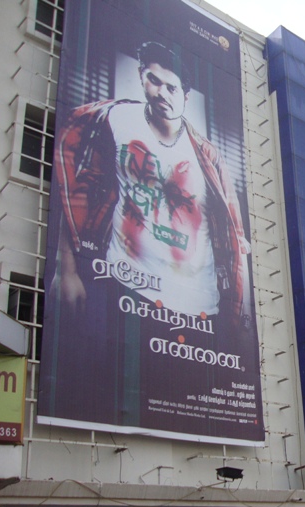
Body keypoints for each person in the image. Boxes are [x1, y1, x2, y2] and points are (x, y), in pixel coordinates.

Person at [54, 40, 250, 323]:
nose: (161, 93)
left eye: (171, 88)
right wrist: (67, 270)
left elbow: (235, 236)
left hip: (197, 310)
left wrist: (240, 316)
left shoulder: (208, 156)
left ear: (186, 95)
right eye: (153, 81)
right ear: (140, 77)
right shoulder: (115, 119)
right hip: (121, 287)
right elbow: (77, 190)